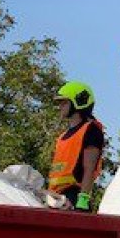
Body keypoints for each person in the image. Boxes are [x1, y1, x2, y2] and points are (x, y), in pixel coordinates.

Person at [48, 81, 104, 211]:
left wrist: (83, 200)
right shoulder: (62, 136)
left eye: (64, 102)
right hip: (56, 197)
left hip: (74, 197)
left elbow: (89, 168)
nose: (60, 106)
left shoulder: (91, 129)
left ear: (79, 102)